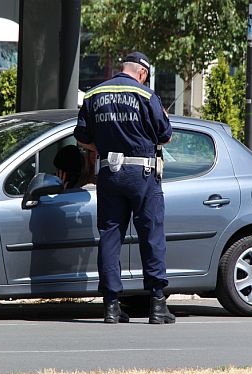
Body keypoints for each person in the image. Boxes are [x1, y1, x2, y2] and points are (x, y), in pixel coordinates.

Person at [74, 51, 175, 325]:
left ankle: (111, 307)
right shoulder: (145, 95)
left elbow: (82, 137)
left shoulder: (94, 95)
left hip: (110, 172)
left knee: (110, 236)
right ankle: (156, 305)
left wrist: (105, 148)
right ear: (142, 73)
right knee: (151, 235)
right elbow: (165, 136)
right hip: (143, 174)